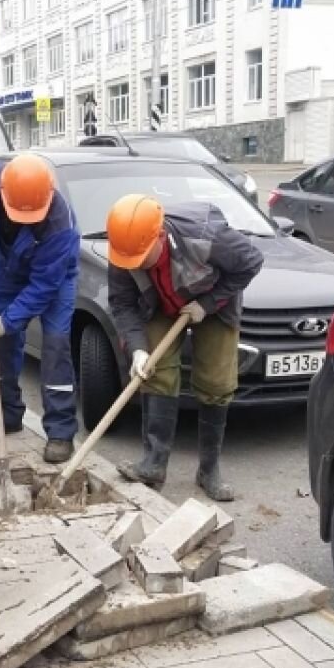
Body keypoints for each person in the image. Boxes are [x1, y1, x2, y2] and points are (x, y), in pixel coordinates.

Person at [105, 194, 264, 501]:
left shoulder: (206, 236)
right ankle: (153, 464)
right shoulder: (124, 248)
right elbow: (122, 304)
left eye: (142, 257)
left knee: (217, 382)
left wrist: (206, 304)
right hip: (161, 304)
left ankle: (209, 470)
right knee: (154, 371)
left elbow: (251, 263)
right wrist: (137, 349)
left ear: (160, 236)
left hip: (214, 303)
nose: (133, 264)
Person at [0, 154, 80, 463]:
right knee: (0, 343)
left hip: (53, 279)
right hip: (9, 268)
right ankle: (7, 415)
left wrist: (7, 321)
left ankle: (60, 432)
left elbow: (42, 288)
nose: (22, 220)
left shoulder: (59, 225)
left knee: (55, 348)